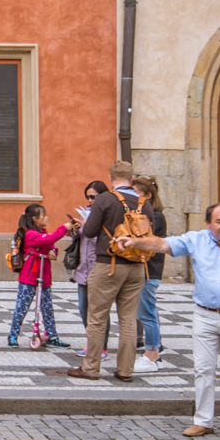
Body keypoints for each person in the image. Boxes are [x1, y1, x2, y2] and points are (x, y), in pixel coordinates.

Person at [119, 201, 220, 439]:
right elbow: (161, 244)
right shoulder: (196, 239)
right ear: (208, 223)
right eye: (219, 222)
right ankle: (203, 421)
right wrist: (135, 242)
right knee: (203, 369)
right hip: (205, 315)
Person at [65, 162, 146, 382]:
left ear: (110, 179)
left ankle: (91, 368)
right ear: (131, 179)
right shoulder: (143, 202)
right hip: (136, 266)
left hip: (108, 264)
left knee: (97, 317)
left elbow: (90, 231)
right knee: (128, 319)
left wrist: (85, 223)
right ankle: (125, 370)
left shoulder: (105, 199)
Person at [6, 202, 69, 348]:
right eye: (44, 215)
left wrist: (53, 251)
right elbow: (48, 240)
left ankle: (52, 336)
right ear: (35, 219)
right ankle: (13, 335)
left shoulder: (42, 232)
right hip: (29, 276)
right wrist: (64, 228)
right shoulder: (30, 234)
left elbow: (50, 244)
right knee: (22, 307)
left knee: (47, 308)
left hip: (43, 276)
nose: (47, 218)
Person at [132, 174, 167, 370]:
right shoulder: (147, 214)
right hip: (144, 269)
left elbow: (150, 242)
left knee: (147, 314)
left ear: (148, 195)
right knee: (144, 312)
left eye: (137, 193)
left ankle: (152, 354)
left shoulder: (156, 216)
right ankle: (152, 351)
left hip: (149, 270)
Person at [71, 180, 108, 351]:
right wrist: (76, 229)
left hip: (98, 267)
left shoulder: (107, 214)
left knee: (99, 310)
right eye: (88, 197)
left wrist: (88, 227)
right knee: (83, 308)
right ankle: (92, 342)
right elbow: (80, 239)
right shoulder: (86, 212)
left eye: (93, 197)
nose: (90, 200)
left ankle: (101, 347)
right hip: (82, 268)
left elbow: (103, 241)